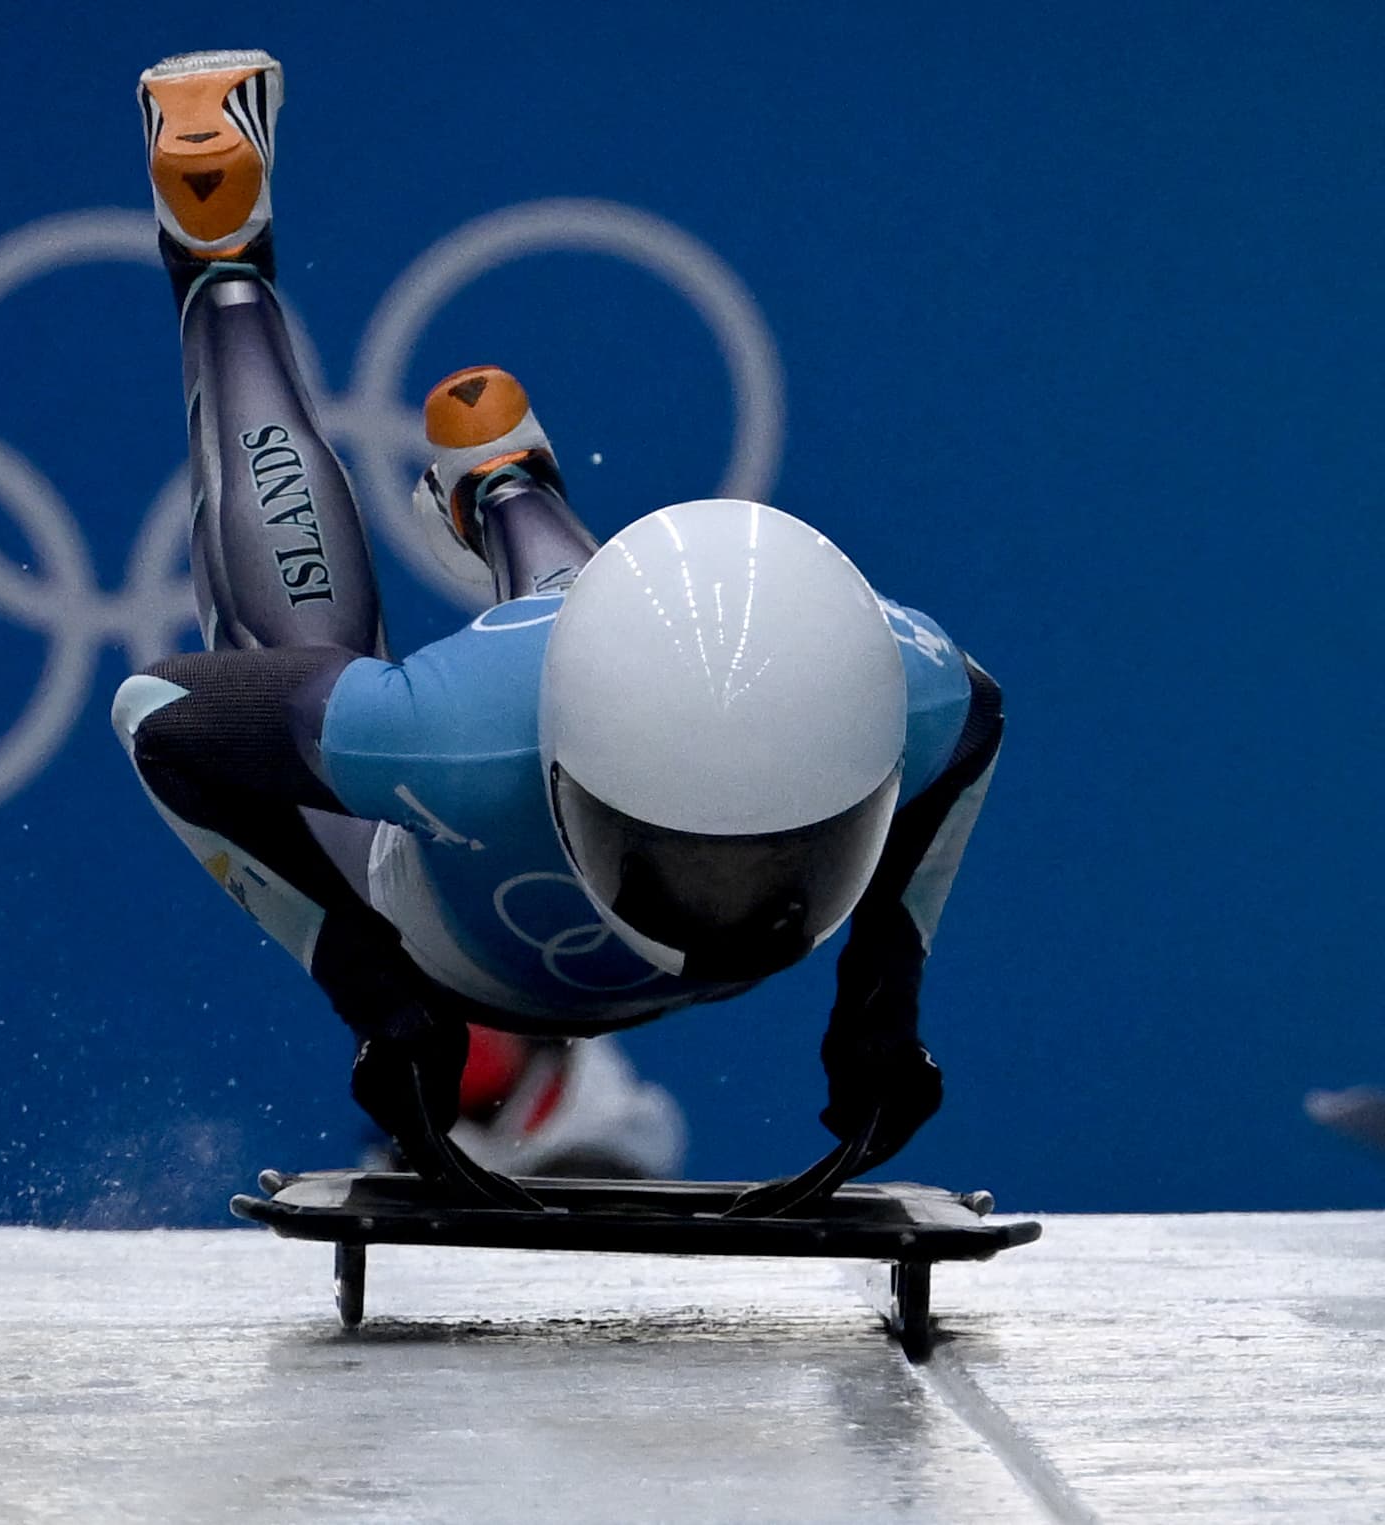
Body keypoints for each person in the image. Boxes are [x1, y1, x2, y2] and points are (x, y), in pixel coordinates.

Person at [113, 49, 1001, 1197]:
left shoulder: (912, 688)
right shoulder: (443, 733)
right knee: (298, 666)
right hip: (445, 901)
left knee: (578, 621)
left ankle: (503, 486)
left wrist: (881, 998)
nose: (718, 897)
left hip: (506, 842)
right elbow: (160, 713)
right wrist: (365, 977)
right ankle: (222, 265)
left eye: (765, 856)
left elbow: (972, 719)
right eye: (687, 858)